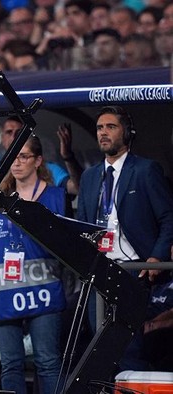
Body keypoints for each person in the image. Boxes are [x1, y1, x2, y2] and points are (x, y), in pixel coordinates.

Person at [77, 105, 173, 370]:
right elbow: (83, 225)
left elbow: (168, 218)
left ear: (127, 133)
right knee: (100, 352)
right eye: (99, 128)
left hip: (133, 272)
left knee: (129, 350)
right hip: (99, 272)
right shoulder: (89, 176)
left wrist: (155, 258)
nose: (103, 133)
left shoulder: (145, 170)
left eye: (111, 127)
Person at [0, 135, 67, 394]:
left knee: (48, 362)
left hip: (43, 290)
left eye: (23, 156)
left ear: (38, 160)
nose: (16, 163)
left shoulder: (56, 197)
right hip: (4, 291)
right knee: (10, 364)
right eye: (12, 157)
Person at [0, 116, 82, 196]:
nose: (14, 137)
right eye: (9, 132)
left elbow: (76, 189)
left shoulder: (49, 169)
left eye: (19, 132)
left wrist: (68, 157)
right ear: (2, 139)